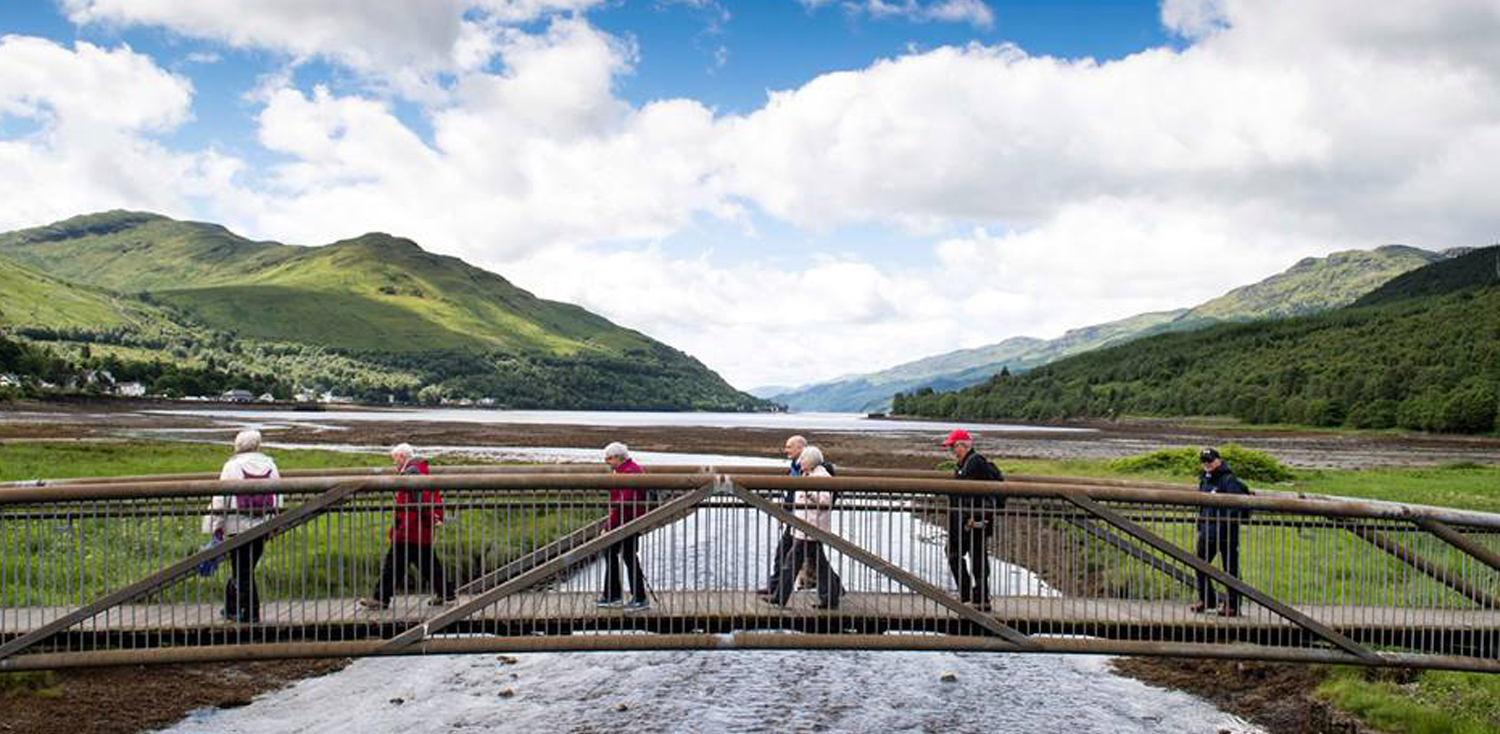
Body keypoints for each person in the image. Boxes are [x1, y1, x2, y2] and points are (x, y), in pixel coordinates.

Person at [359, 444, 455, 610]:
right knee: (427, 563)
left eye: (395, 459)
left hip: (410, 529)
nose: (394, 463)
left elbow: (420, 500)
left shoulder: (412, 473)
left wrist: (426, 518)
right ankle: (446, 592)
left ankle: (380, 598)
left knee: (393, 565)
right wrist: (432, 518)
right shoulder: (418, 470)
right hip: (417, 528)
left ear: (402, 457)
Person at [202, 429, 283, 624]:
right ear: (258, 445)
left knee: (242, 571)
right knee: (245, 568)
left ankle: (251, 614)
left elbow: (221, 498)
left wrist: (216, 525)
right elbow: (279, 495)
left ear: (237, 445)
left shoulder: (232, 466)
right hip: (262, 525)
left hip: (236, 526)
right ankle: (233, 608)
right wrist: (275, 522)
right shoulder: (270, 465)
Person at [765, 446, 844, 610]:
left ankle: (779, 598)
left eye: (803, 460)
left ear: (811, 461)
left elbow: (824, 502)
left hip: (811, 528)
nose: (800, 463)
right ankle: (831, 598)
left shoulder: (822, 476)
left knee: (791, 564)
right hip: (804, 528)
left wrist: (808, 492)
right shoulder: (808, 474)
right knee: (819, 565)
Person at [943, 429, 1003, 611]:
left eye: (953, 447)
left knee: (974, 556)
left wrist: (979, 516)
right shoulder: (964, 464)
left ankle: (977, 596)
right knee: (961, 553)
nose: (951, 451)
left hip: (974, 520)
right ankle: (972, 594)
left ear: (963, 445)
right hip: (964, 519)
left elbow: (990, 487)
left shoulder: (975, 462)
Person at [1192, 448, 1251, 617]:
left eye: (1210, 460)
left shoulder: (1229, 479)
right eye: (1204, 461)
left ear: (1218, 460)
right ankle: (1207, 600)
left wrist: (1225, 525)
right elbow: (1201, 505)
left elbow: (1238, 505)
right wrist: (1200, 526)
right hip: (1206, 531)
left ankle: (1232, 605)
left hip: (1226, 533)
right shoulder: (1204, 479)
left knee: (1230, 569)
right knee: (1198, 564)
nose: (1207, 464)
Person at [598, 442, 651, 611]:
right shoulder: (628, 469)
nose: (606, 461)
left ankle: (636, 597)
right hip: (628, 521)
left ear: (619, 457)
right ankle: (615, 594)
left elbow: (623, 504)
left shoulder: (629, 472)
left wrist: (608, 526)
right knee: (620, 554)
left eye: (609, 458)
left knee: (627, 556)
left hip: (628, 522)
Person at [756, 434, 807, 596]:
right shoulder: (795, 466)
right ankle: (835, 589)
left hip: (805, 519)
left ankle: (777, 592)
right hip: (795, 517)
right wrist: (782, 514)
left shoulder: (813, 467)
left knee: (787, 553)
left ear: (801, 448)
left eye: (789, 447)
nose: (786, 450)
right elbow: (791, 493)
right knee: (794, 554)